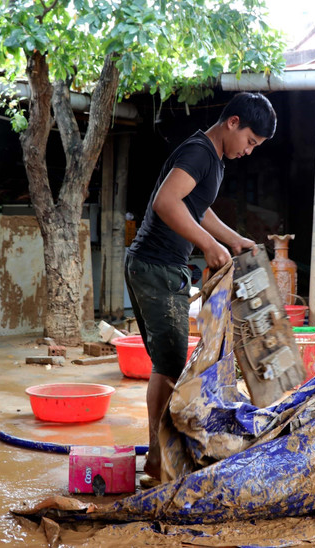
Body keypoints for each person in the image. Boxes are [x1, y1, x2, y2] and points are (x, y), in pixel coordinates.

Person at [125, 92, 277, 483]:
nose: (249, 151)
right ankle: (158, 464)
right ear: (233, 123)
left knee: (168, 364)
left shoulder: (213, 159)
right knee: (171, 365)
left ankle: (160, 460)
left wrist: (233, 239)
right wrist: (209, 246)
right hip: (155, 267)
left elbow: (198, 209)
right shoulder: (198, 152)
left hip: (162, 267)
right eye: (250, 141)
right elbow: (166, 202)